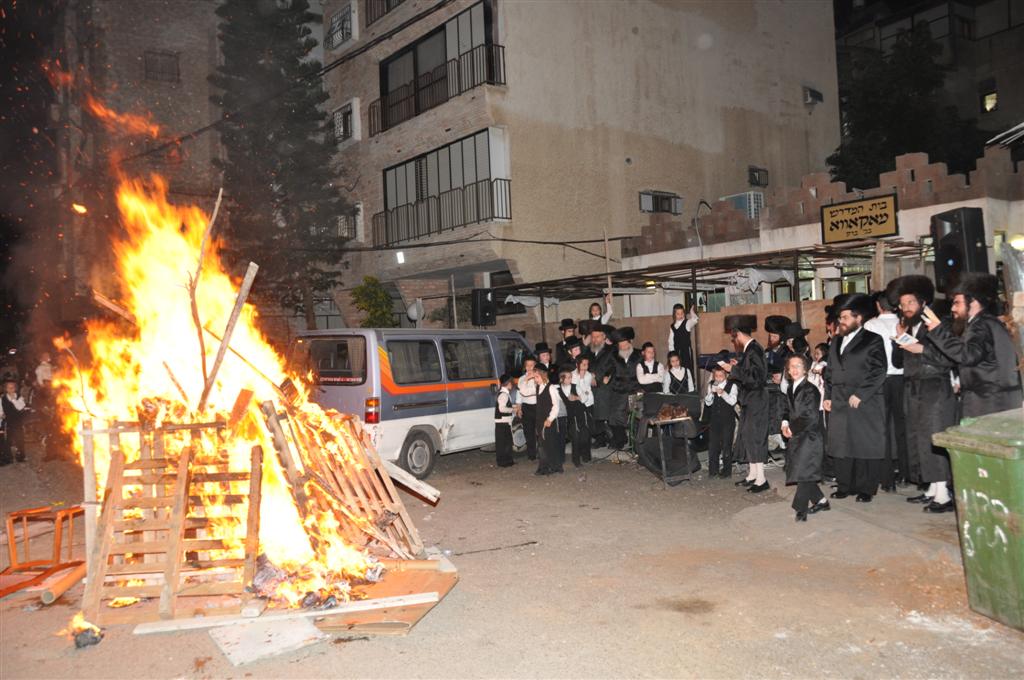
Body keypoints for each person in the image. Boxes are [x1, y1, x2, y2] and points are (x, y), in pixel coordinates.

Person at [890, 275, 957, 512]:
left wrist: (920, 348)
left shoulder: (940, 325)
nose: (905, 308)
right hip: (913, 388)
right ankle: (930, 488)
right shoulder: (910, 327)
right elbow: (898, 362)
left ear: (922, 303)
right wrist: (898, 338)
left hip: (934, 388)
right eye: (902, 304)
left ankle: (944, 494)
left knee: (934, 437)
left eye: (910, 303)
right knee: (917, 439)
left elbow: (948, 358)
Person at [924, 273, 1023, 418]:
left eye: (957, 302)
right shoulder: (983, 323)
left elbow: (968, 355)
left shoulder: (981, 325)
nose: (952, 309)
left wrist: (938, 332)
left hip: (990, 401)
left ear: (973, 302)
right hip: (992, 398)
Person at [824, 293, 888, 503]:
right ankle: (844, 486)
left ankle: (865, 488)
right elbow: (830, 371)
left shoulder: (872, 339)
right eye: (840, 318)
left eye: (844, 318)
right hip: (840, 399)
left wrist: (861, 394)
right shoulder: (835, 341)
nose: (840, 322)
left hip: (864, 400)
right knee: (841, 444)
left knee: (863, 445)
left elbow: (879, 370)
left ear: (858, 318)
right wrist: (828, 395)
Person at [864, 288, 908, 492]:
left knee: (882, 429)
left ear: (878, 305)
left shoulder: (871, 324)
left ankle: (887, 478)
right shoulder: (904, 323)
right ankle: (906, 473)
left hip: (880, 381)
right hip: (902, 380)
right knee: (901, 427)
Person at [720, 315, 770, 492]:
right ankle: (753, 475)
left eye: (734, 337)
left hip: (756, 398)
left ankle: (762, 480)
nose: (735, 341)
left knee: (756, 437)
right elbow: (750, 372)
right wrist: (738, 365)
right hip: (751, 399)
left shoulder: (754, 349)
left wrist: (733, 370)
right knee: (748, 436)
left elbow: (756, 378)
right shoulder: (750, 349)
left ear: (739, 334)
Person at [781, 354, 829, 521]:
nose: (794, 369)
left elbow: (809, 416)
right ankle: (821, 501)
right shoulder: (790, 388)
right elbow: (787, 409)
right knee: (805, 471)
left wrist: (792, 429)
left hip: (810, 437)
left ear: (806, 369)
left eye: (798, 366)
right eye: (791, 366)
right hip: (797, 435)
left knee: (803, 472)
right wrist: (785, 423)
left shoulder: (811, 390)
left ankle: (800, 509)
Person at [608, 327, 641, 450]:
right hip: (619, 389)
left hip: (635, 389)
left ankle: (636, 443)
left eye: (624, 344)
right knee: (614, 415)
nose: (621, 347)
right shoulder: (614, 355)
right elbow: (607, 368)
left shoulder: (639, 354)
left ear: (630, 341)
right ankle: (620, 440)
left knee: (635, 415)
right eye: (619, 344)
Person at [702, 364, 738, 478]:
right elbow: (708, 403)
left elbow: (733, 401)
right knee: (713, 445)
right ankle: (713, 470)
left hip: (727, 420)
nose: (718, 378)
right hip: (715, 420)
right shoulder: (711, 385)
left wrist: (723, 393)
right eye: (716, 376)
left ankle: (727, 472)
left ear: (726, 375)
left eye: (721, 376)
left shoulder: (732, 386)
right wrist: (711, 394)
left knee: (726, 445)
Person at [586, 325, 615, 448]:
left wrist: (596, 376)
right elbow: (583, 365)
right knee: (594, 415)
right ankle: (599, 439)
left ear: (604, 337)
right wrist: (590, 376)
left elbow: (612, 367)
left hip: (605, 387)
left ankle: (612, 438)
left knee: (606, 415)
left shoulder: (611, 350)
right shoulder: (588, 351)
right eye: (593, 337)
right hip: (591, 387)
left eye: (597, 337)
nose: (595, 339)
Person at [559, 364, 591, 467]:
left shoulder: (575, 386)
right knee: (575, 439)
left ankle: (586, 457)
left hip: (580, 414)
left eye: (570, 377)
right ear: (561, 379)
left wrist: (576, 398)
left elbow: (585, 397)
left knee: (584, 438)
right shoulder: (557, 390)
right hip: (569, 418)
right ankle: (576, 461)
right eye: (567, 377)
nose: (570, 379)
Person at [535, 368, 565, 476]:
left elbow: (556, 406)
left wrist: (550, 419)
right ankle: (544, 467)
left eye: (537, 377)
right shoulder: (538, 387)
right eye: (534, 377)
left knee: (551, 444)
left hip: (549, 421)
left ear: (543, 376)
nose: (535, 379)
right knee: (542, 445)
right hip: (540, 421)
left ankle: (556, 466)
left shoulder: (551, 388)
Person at [517, 356, 540, 461]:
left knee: (540, 431)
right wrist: (519, 407)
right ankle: (532, 455)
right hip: (526, 407)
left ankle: (542, 452)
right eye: (527, 365)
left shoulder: (538, 377)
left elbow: (528, 391)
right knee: (528, 432)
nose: (530, 367)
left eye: (532, 365)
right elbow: (520, 394)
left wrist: (526, 385)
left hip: (538, 406)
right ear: (524, 367)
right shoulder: (521, 378)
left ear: (535, 366)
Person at [2, 378, 28, 464]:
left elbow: (20, 407)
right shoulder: (3, 398)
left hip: (17, 422)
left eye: (12, 387)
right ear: (5, 389)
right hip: (8, 422)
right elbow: (1, 409)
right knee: (7, 440)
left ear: (15, 388)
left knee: (19, 439)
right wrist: (1, 414)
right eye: (9, 388)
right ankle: (8, 458)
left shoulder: (19, 397)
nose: (11, 389)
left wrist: (13, 400)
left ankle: (21, 456)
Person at [667, 303, 699, 373]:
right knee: (677, 371)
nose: (680, 315)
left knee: (687, 371)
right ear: (674, 315)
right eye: (678, 314)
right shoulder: (672, 326)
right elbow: (671, 342)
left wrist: (691, 312)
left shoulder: (687, 323)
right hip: (676, 352)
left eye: (682, 313)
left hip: (686, 352)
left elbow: (695, 320)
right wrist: (671, 354)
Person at [494, 374, 516, 468]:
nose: (512, 384)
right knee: (505, 443)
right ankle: (504, 461)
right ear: (508, 383)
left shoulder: (504, 394)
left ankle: (506, 461)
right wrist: (513, 409)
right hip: (503, 422)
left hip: (502, 422)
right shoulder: (504, 395)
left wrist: (513, 407)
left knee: (504, 443)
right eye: (511, 382)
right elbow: (502, 409)